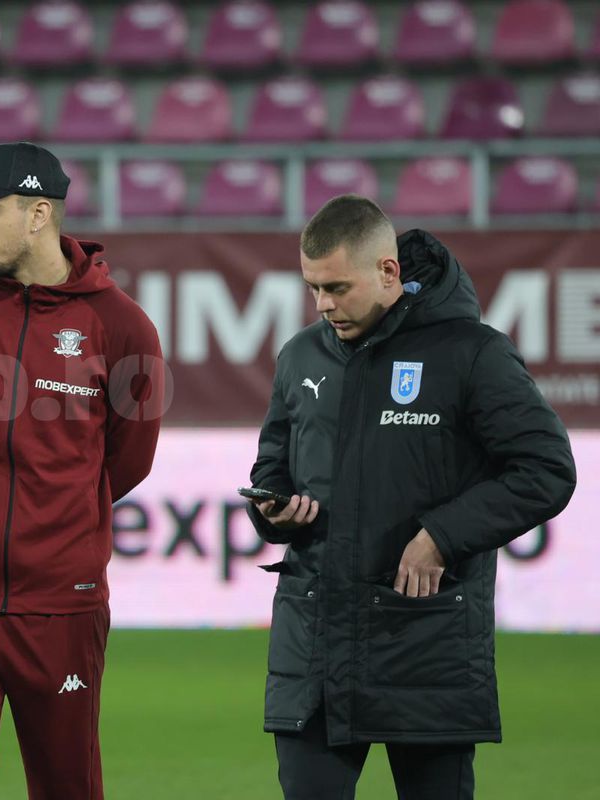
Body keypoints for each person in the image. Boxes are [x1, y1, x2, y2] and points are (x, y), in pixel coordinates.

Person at [247, 194, 576, 799]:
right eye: (313, 288)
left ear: (388, 272)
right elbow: (273, 465)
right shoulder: (301, 355)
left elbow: (546, 470)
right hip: (314, 649)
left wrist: (442, 536)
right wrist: (273, 509)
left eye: (337, 288)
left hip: (427, 646)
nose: (322, 305)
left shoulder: (472, 353)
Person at [0, 142, 164, 799]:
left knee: (66, 786)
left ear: (38, 214)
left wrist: (56, 513)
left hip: (62, 600)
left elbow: (128, 459)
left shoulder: (121, 325)